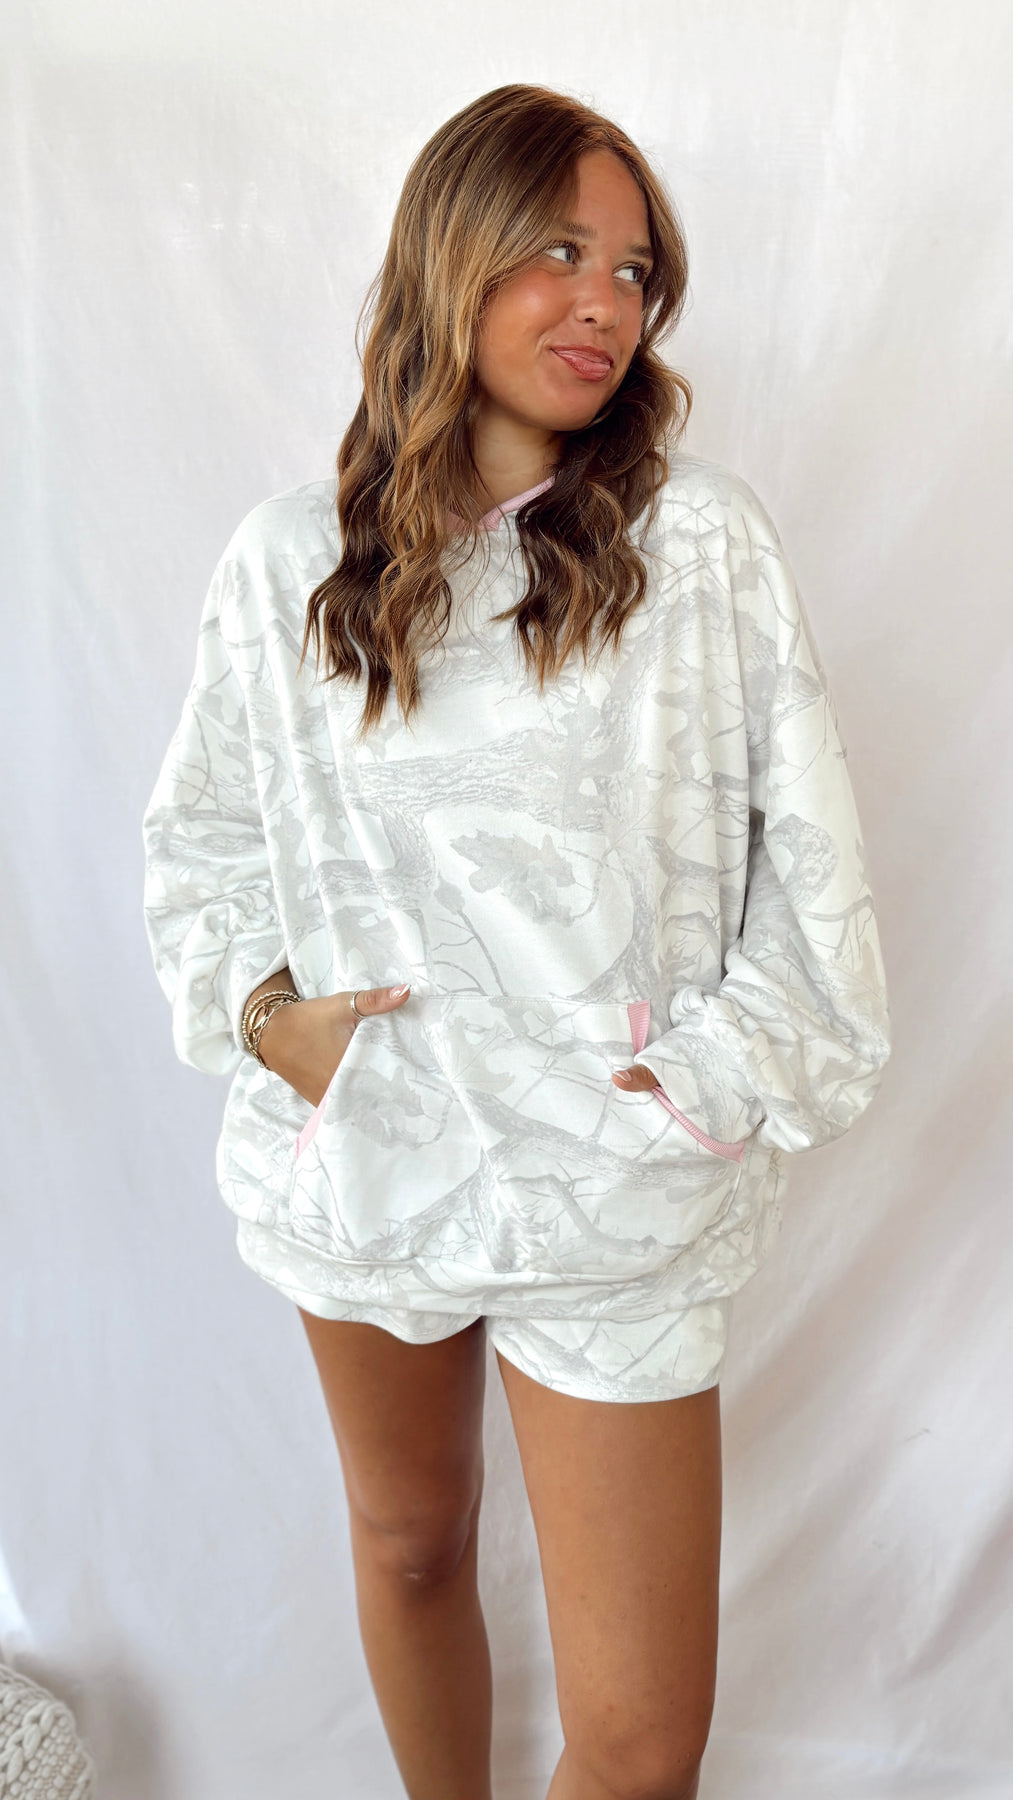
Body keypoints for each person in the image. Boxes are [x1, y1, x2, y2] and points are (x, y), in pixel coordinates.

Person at [142, 84, 891, 1800]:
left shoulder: (697, 546)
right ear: (451, 257)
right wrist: (273, 1023)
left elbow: (812, 868)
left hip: (609, 1182)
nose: (605, 303)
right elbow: (202, 840)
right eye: (560, 250)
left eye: (632, 270)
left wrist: (694, 1082)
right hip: (369, 1154)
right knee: (410, 1545)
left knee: (638, 1738)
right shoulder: (289, 563)